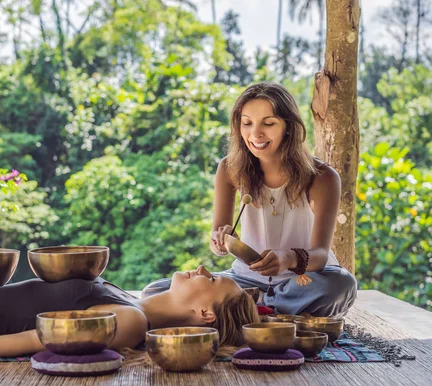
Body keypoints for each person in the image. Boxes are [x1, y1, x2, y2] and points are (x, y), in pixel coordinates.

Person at [143, 82, 357, 318]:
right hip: (244, 281)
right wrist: (221, 240)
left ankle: (247, 312)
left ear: (288, 126)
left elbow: (319, 255)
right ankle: (267, 313)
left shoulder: (323, 177)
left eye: (268, 123)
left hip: (303, 281)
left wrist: (289, 258)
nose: (255, 134)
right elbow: (218, 240)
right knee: (156, 291)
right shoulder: (229, 168)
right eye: (247, 123)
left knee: (341, 285)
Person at [0, 265, 259, 361]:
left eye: (216, 279)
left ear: (205, 313)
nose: (205, 268)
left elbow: (37, 340)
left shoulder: (132, 322)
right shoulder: (133, 299)